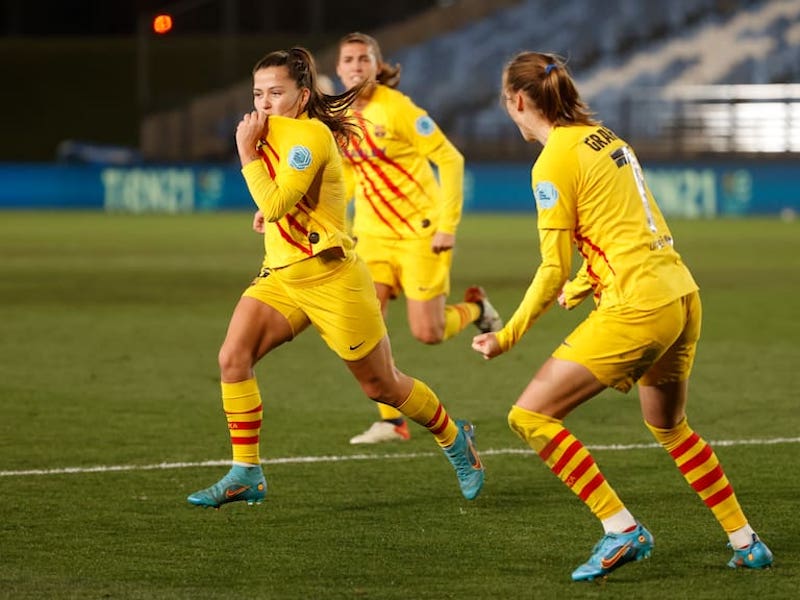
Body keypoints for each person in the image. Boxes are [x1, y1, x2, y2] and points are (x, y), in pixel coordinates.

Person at [471, 51, 773, 581]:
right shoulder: (605, 138)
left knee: (531, 417)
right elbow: (630, 224)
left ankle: (621, 528)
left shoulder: (552, 161)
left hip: (640, 305)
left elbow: (549, 267)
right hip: (680, 295)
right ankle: (746, 541)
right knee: (670, 427)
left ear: (518, 101)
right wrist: (587, 282)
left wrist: (507, 335)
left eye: (507, 103)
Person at [187, 47, 484, 508]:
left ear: (302, 96)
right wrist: (268, 208)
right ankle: (246, 471)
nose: (263, 103)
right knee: (233, 357)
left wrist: (248, 160)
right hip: (283, 275)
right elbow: (281, 201)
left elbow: (279, 200)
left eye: (276, 93)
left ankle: (454, 438)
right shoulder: (274, 133)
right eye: (257, 93)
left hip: (331, 279)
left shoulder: (308, 136)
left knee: (381, 385)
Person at [335, 32, 503, 445]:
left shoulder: (400, 110)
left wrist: (449, 224)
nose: (356, 65)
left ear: (377, 66)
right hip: (371, 236)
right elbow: (351, 173)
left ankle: (476, 307)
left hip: (419, 234)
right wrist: (335, 219)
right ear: (338, 69)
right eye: (349, 59)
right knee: (363, 323)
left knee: (427, 333)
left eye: (363, 58)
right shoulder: (339, 115)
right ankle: (391, 421)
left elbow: (450, 158)